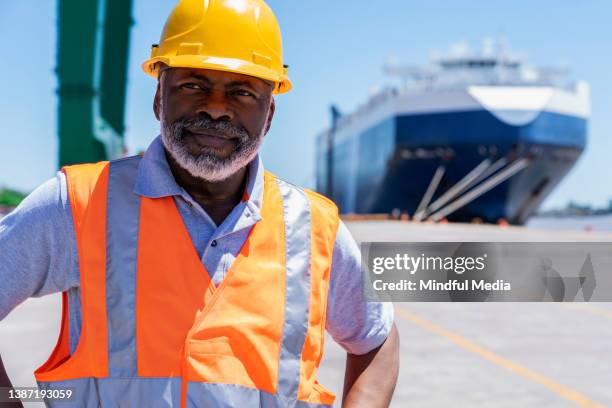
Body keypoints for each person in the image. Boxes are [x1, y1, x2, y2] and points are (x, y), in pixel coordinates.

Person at [0, 0, 399, 406]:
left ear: (269, 115)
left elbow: (377, 339)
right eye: (193, 85)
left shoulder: (313, 229)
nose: (216, 107)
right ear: (159, 97)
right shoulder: (78, 205)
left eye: (242, 92)